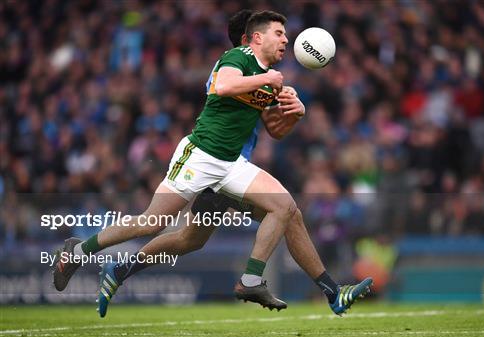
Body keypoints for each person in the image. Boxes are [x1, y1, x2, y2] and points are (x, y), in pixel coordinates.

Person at [54, 10, 372, 317]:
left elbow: (275, 130)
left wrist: (295, 112)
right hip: (201, 156)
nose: (286, 40)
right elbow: (224, 86)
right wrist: (268, 79)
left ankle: (321, 291)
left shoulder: (267, 78)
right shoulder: (238, 59)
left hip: (233, 165)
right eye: (280, 34)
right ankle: (79, 251)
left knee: (286, 210)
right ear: (255, 38)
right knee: (154, 223)